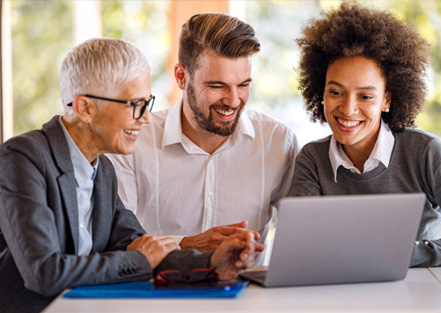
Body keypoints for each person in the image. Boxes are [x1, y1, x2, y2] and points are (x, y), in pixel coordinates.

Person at [0, 38, 262, 313]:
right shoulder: (23, 157)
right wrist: (139, 259)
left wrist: (210, 263)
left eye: (147, 103)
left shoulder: (103, 170)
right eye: (135, 104)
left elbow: (143, 247)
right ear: (85, 108)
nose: (146, 118)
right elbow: (44, 272)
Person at [289, 2, 441, 267]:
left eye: (365, 96)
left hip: (420, 300)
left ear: (387, 100)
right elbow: (301, 248)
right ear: (321, 92)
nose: (348, 109)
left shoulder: (424, 152)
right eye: (335, 92)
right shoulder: (312, 160)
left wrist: (411, 254)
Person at [109, 13, 298, 261]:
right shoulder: (134, 140)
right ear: (181, 77)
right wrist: (186, 244)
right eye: (217, 86)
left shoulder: (277, 141)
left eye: (243, 85)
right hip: (158, 294)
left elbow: (297, 239)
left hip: (246, 294)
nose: (232, 101)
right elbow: (114, 242)